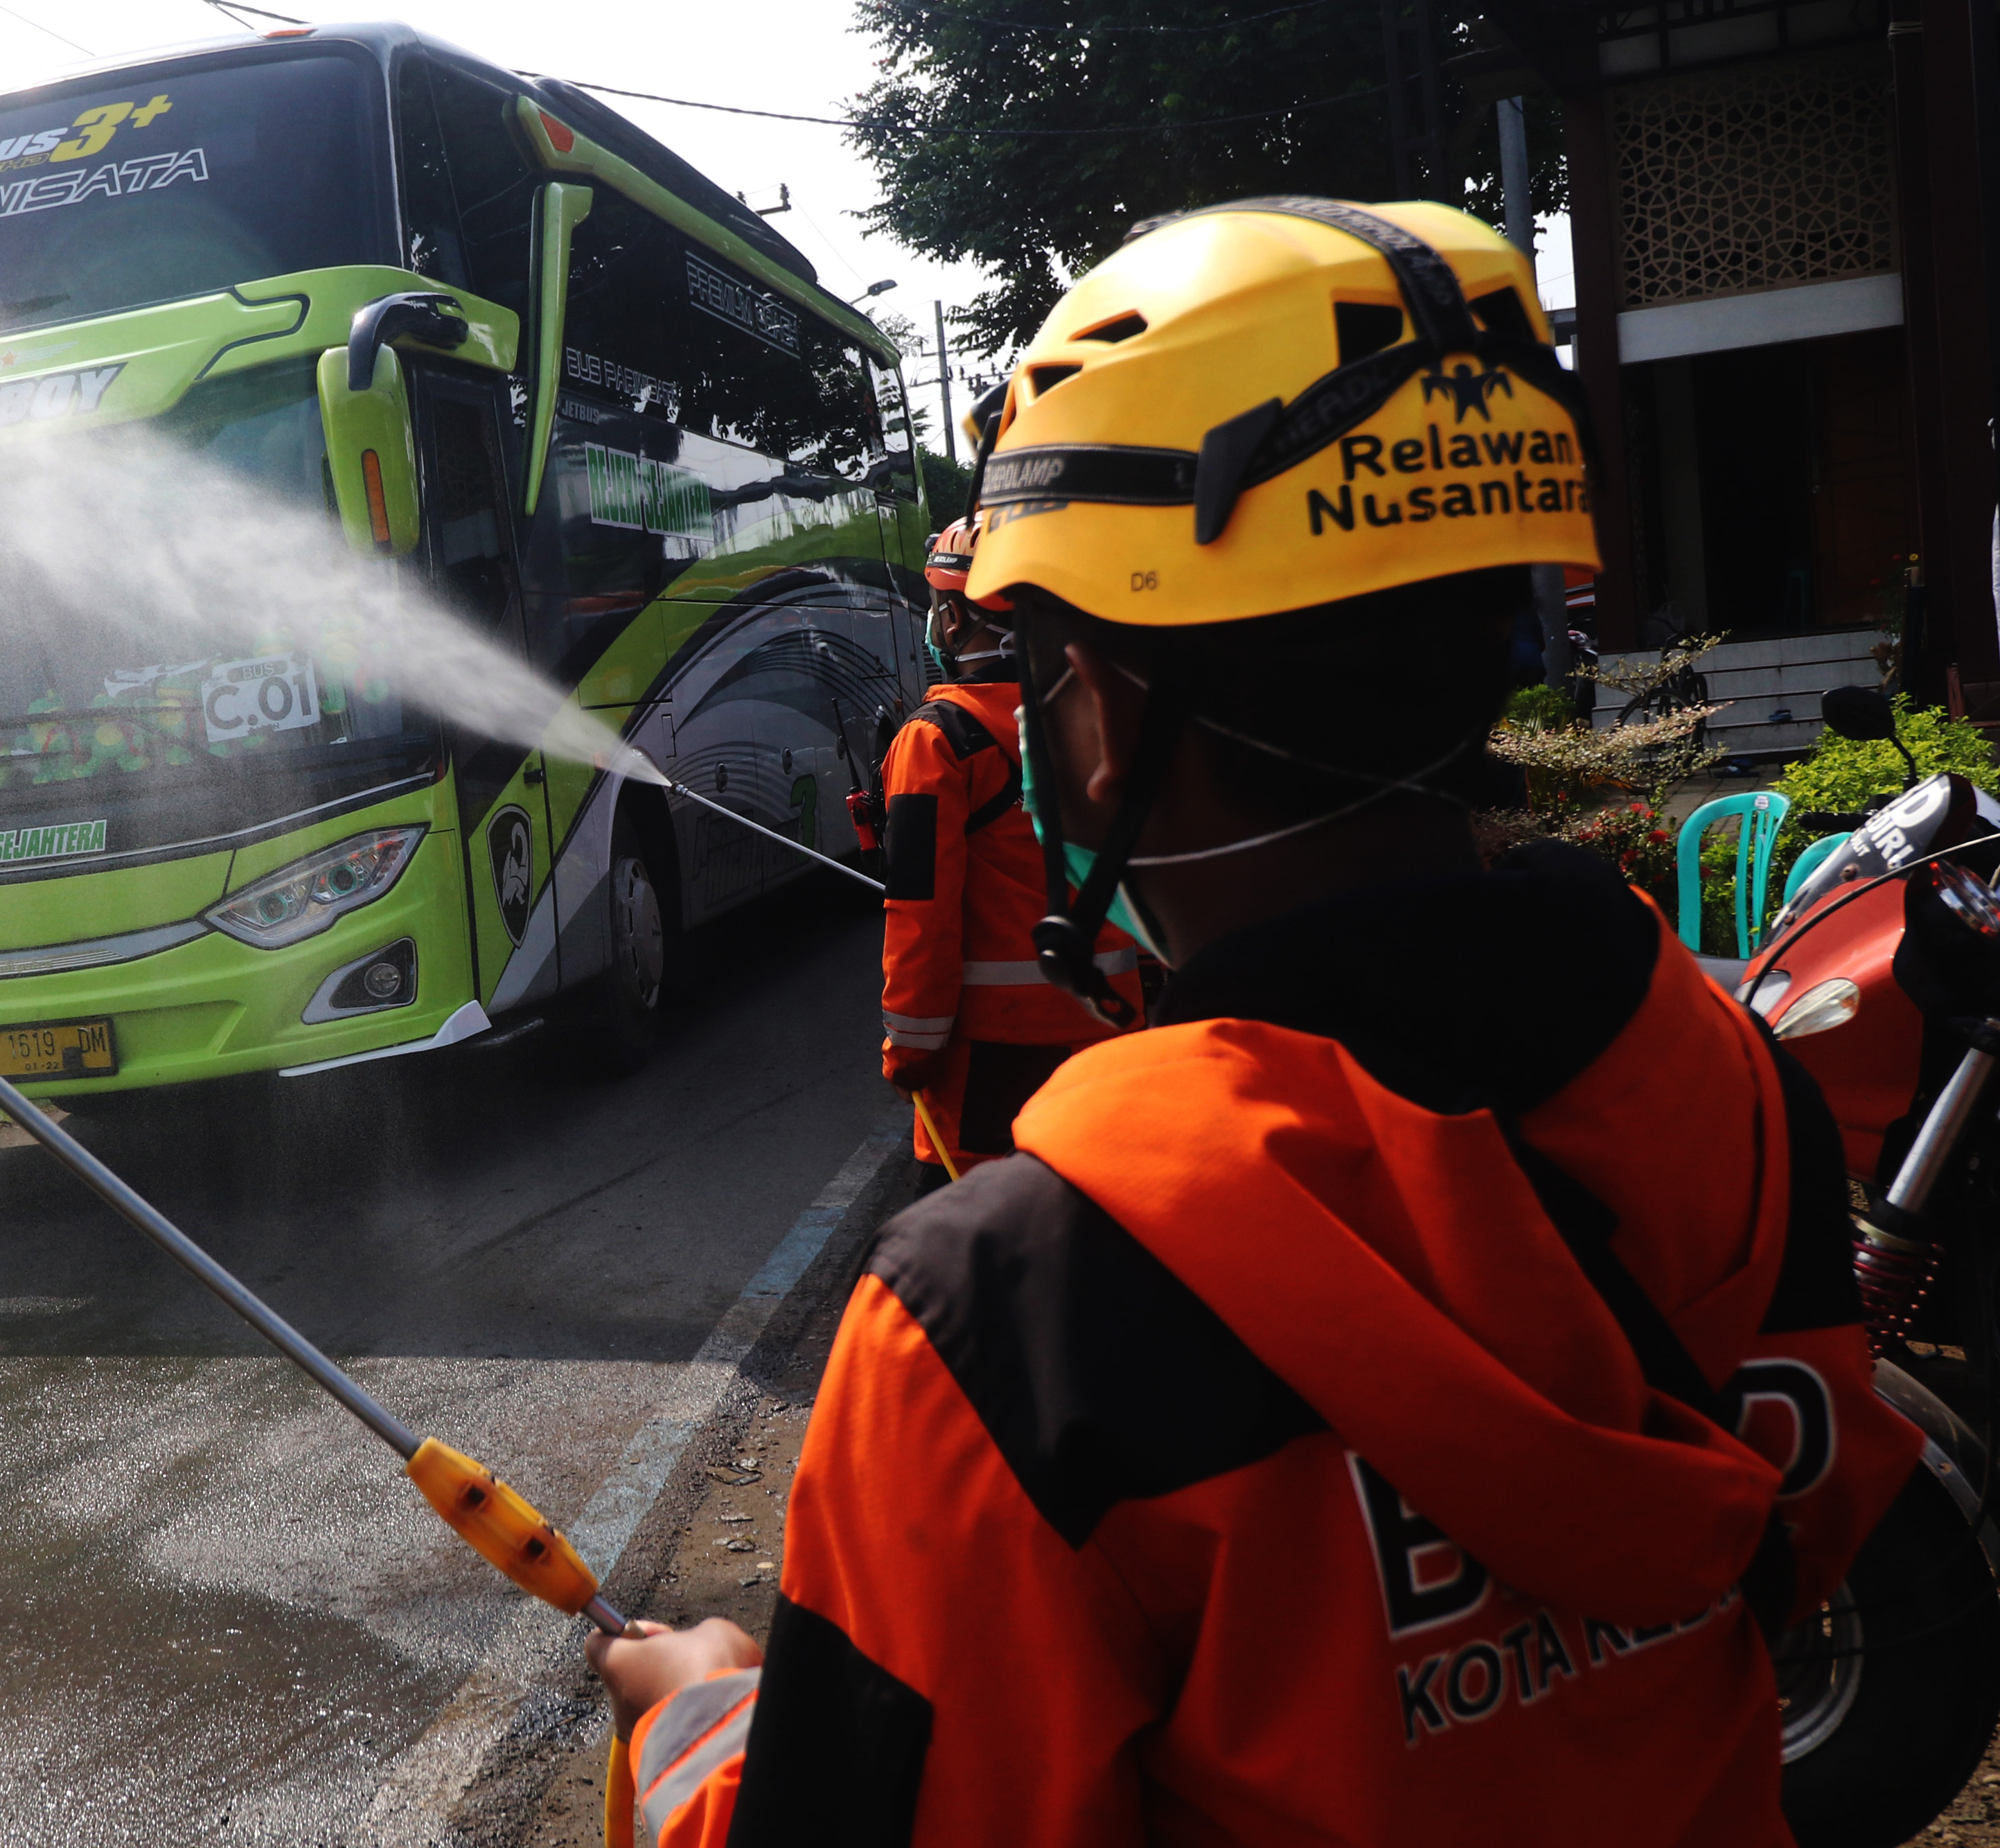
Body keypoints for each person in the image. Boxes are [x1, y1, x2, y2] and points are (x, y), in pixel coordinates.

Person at [588, 197, 1918, 1847]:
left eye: (1050, 657)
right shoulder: (1719, 1069)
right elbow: (1821, 1517)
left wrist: (703, 1724)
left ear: (1106, 717)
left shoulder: (1004, 1320)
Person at [880, 516, 1142, 1192]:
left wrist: (909, 1050)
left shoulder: (936, 741)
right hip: (1114, 1041)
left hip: (991, 1068)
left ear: (951, 614)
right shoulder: (1099, 713)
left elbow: (919, 911)